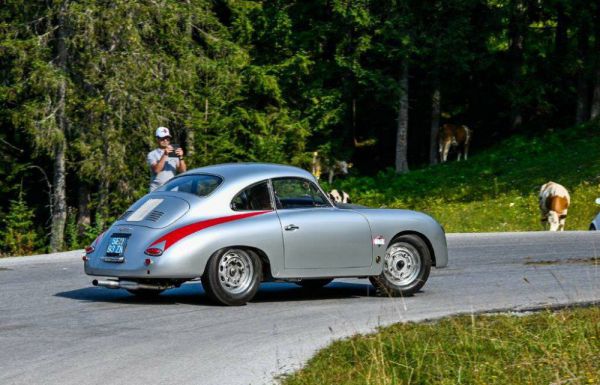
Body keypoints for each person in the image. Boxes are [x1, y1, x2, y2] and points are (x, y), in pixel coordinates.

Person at [147, 126, 187, 192]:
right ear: (157, 139)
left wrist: (181, 157)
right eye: (162, 138)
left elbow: (183, 171)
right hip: (156, 190)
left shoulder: (174, 152)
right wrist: (165, 154)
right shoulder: (152, 154)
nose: (165, 140)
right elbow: (156, 170)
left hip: (172, 190)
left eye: (167, 138)